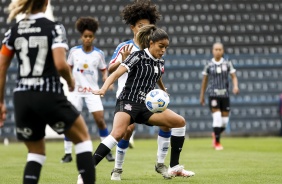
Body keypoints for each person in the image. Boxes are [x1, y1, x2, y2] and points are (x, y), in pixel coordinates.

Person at [0, 0, 95, 184]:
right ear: (46, 3)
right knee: (83, 139)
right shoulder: (54, 28)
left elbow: (2, 66)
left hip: (22, 97)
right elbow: (60, 64)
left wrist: (0, 101)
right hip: (48, 94)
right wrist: (70, 80)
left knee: (35, 153)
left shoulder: (14, 30)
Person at [89, 25, 195, 182]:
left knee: (179, 122)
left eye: (166, 47)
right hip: (128, 101)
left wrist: (163, 89)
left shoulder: (160, 62)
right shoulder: (137, 56)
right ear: (151, 43)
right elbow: (115, 73)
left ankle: (174, 167)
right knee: (117, 134)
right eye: (161, 46)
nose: (163, 50)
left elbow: (157, 75)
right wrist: (103, 89)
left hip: (147, 106)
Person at [108, 0, 171, 180]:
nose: (143, 28)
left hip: (149, 98)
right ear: (132, 27)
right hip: (128, 95)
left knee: (167, 122)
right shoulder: (125, 47)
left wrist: (162, 88)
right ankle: (117, 169)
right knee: (127, 130)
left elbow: (157, 72)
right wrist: (123, 60)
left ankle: (160, 164)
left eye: (148, 25)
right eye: (140, 26)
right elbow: (110, 68)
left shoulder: (154, 47)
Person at [61, 17, 114, 163]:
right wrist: (69, 81)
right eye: (85, 36)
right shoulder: (74, 52)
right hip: (75, 91)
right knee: (69, 120)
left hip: (92, 91)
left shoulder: (99, 54)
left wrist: (106, 79)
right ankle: (67, 153)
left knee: (100, 120)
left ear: (94, 37)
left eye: (90, 36)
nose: (88, 39)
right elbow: (67, 68)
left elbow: (104, 70)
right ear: (81, 37)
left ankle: (107, 151)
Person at [200, 42, 239, 150]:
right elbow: (204, 81)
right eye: (216, 49)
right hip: (213, 94)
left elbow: (234, 77)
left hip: (225, 95)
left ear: (223, 51)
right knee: (217, 118)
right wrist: (202, 96)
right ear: (213, 51)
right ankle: (217, 142)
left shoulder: (228, 63)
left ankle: (215, 134)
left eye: (219, 49)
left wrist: (235, 86)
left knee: (224, 122)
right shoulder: (208, 65)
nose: (217, 51)